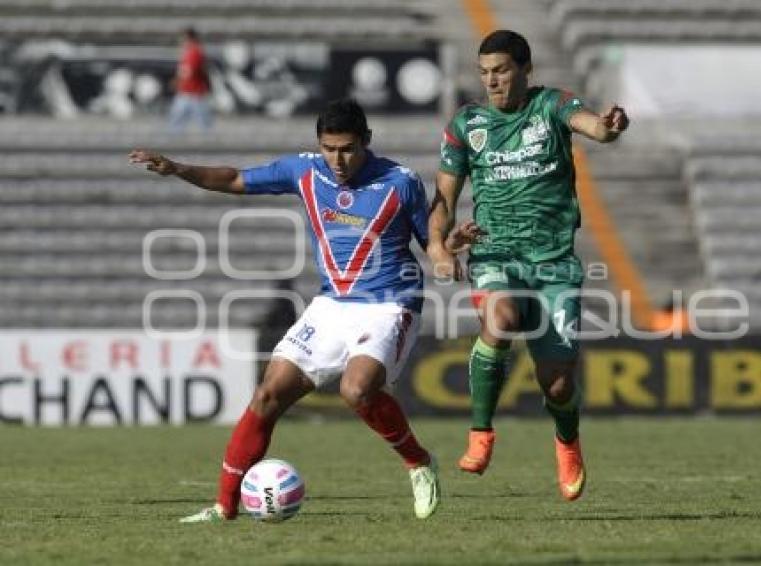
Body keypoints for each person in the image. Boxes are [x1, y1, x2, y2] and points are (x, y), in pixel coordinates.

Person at [130, 98, 440, 521]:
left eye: (347, 148)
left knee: (356, 389)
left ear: (366, 141)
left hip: (389, 303)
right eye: (329, 148)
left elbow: (433, 242)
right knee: (268, 393)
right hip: (331, 305)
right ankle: (224, 507)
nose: (338, 159)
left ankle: (418, 462)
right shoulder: (304, 170)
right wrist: (179, 168)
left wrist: (449, 251)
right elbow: (236, 178)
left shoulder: (400, 181)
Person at [427, 30, 629, 501]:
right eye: (484, 72)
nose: (492, 81)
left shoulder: (551, 105)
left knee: (557, 382)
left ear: (525, 69)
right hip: (497, 254)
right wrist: (439, 247)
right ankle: (481, 432)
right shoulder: (466, 124)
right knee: (501, 319)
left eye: (501, 70)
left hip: (554, 261)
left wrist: (610, 127)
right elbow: (443, 198)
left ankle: (567, 442)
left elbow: (594, 126)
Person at [168, 27, 212, 133]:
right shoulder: (191, 52)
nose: (182, 41)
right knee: (176, 122)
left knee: (203, 124)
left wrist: (175, 82)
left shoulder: (194, 52)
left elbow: (187, 73)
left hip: (193, 93)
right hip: (188, 92)